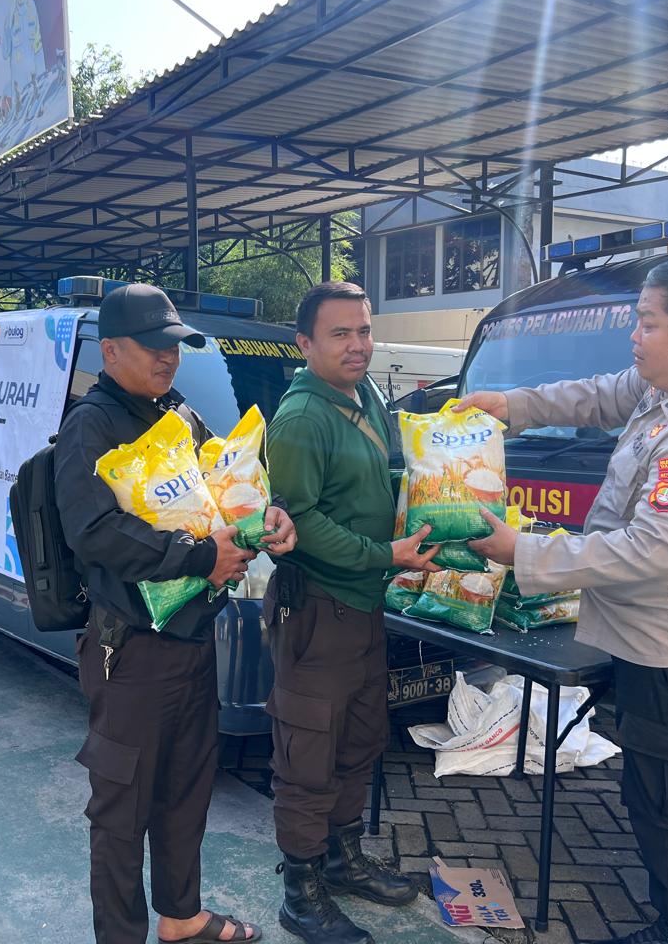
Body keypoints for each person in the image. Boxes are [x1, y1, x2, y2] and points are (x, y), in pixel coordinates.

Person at [462, 257, 668, 944]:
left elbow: (647, 550)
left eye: (646, 322)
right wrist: (511, 406)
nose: (634, 336)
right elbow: (601, 394)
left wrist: (526, 552)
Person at [56, 283, 298, 944]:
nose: (169, 357)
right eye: (154, 346)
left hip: (193, 642)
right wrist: (198, 558)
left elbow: (224, 485)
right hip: (130, 653)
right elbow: (93, 531)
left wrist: (262, 516)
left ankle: (180, 916)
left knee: (187, 791)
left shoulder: (180, 415)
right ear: (111, 350)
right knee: (119, 809)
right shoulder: (91, 426)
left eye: (175, 346)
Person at [266, 281, 442, 944]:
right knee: (308, 754)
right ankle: (301, 893)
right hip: (319, 614)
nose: (359, 345)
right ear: (306, 343)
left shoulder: (364, 394)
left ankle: (342, 861)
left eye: (364, 330)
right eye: (341, 334)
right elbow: (299, 520)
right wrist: (384, 553)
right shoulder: (300, 420)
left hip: (366, 607)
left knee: (360, 741)